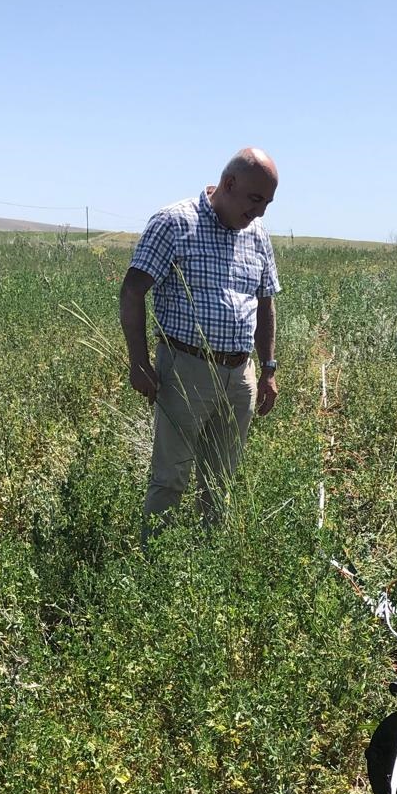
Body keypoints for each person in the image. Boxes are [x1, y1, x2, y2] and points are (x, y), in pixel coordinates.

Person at [120, 147, 281, 531]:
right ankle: (155, 566)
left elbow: (265, 303)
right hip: (185, 368)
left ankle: (209, 567)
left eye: (268, 203)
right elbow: (131, 291)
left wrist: (269, 370)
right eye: (255, 199)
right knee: (170, 478)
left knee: (220, 481)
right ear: (229, 184)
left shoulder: (256, 234)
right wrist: (140, 363)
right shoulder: (174, 222)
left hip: (240, 374)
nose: (259, 212)